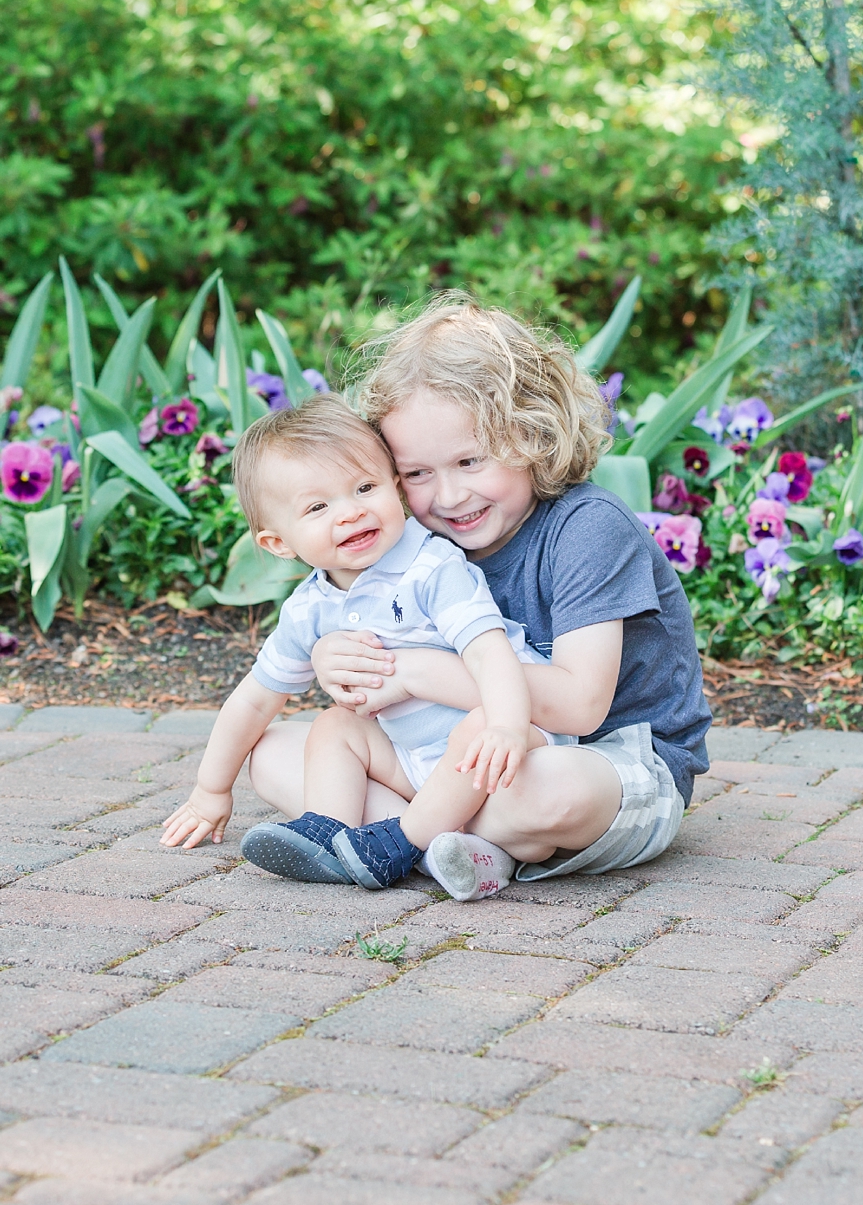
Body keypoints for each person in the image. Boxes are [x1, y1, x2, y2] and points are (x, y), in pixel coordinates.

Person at [237, 293, 710, 892]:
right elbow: (370, 633)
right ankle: (452, 847)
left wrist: (411, 672)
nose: (451, 495)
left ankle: (411, 835)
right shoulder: (412, 539)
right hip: (462, 757)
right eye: (417, 473)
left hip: (607, 758)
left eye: (470, 461)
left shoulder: (586, 528)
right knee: (275, 751)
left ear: (532, 434)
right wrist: (336, 658)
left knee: (546, 792)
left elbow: (579, 706)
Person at [160, 395, 576, 899]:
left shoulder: (431, 566)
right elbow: (253, 700)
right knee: (336, 725)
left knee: (480, 723)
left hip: (501, 756)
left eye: (364, 487)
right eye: (318, 506)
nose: (351, 512)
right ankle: (328, 832)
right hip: (413, 762)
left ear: (395, 488)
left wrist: (509, 727)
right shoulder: (309, 608)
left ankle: (402, 842)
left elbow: (491, 653)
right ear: (278, 543)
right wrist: (211, 789)